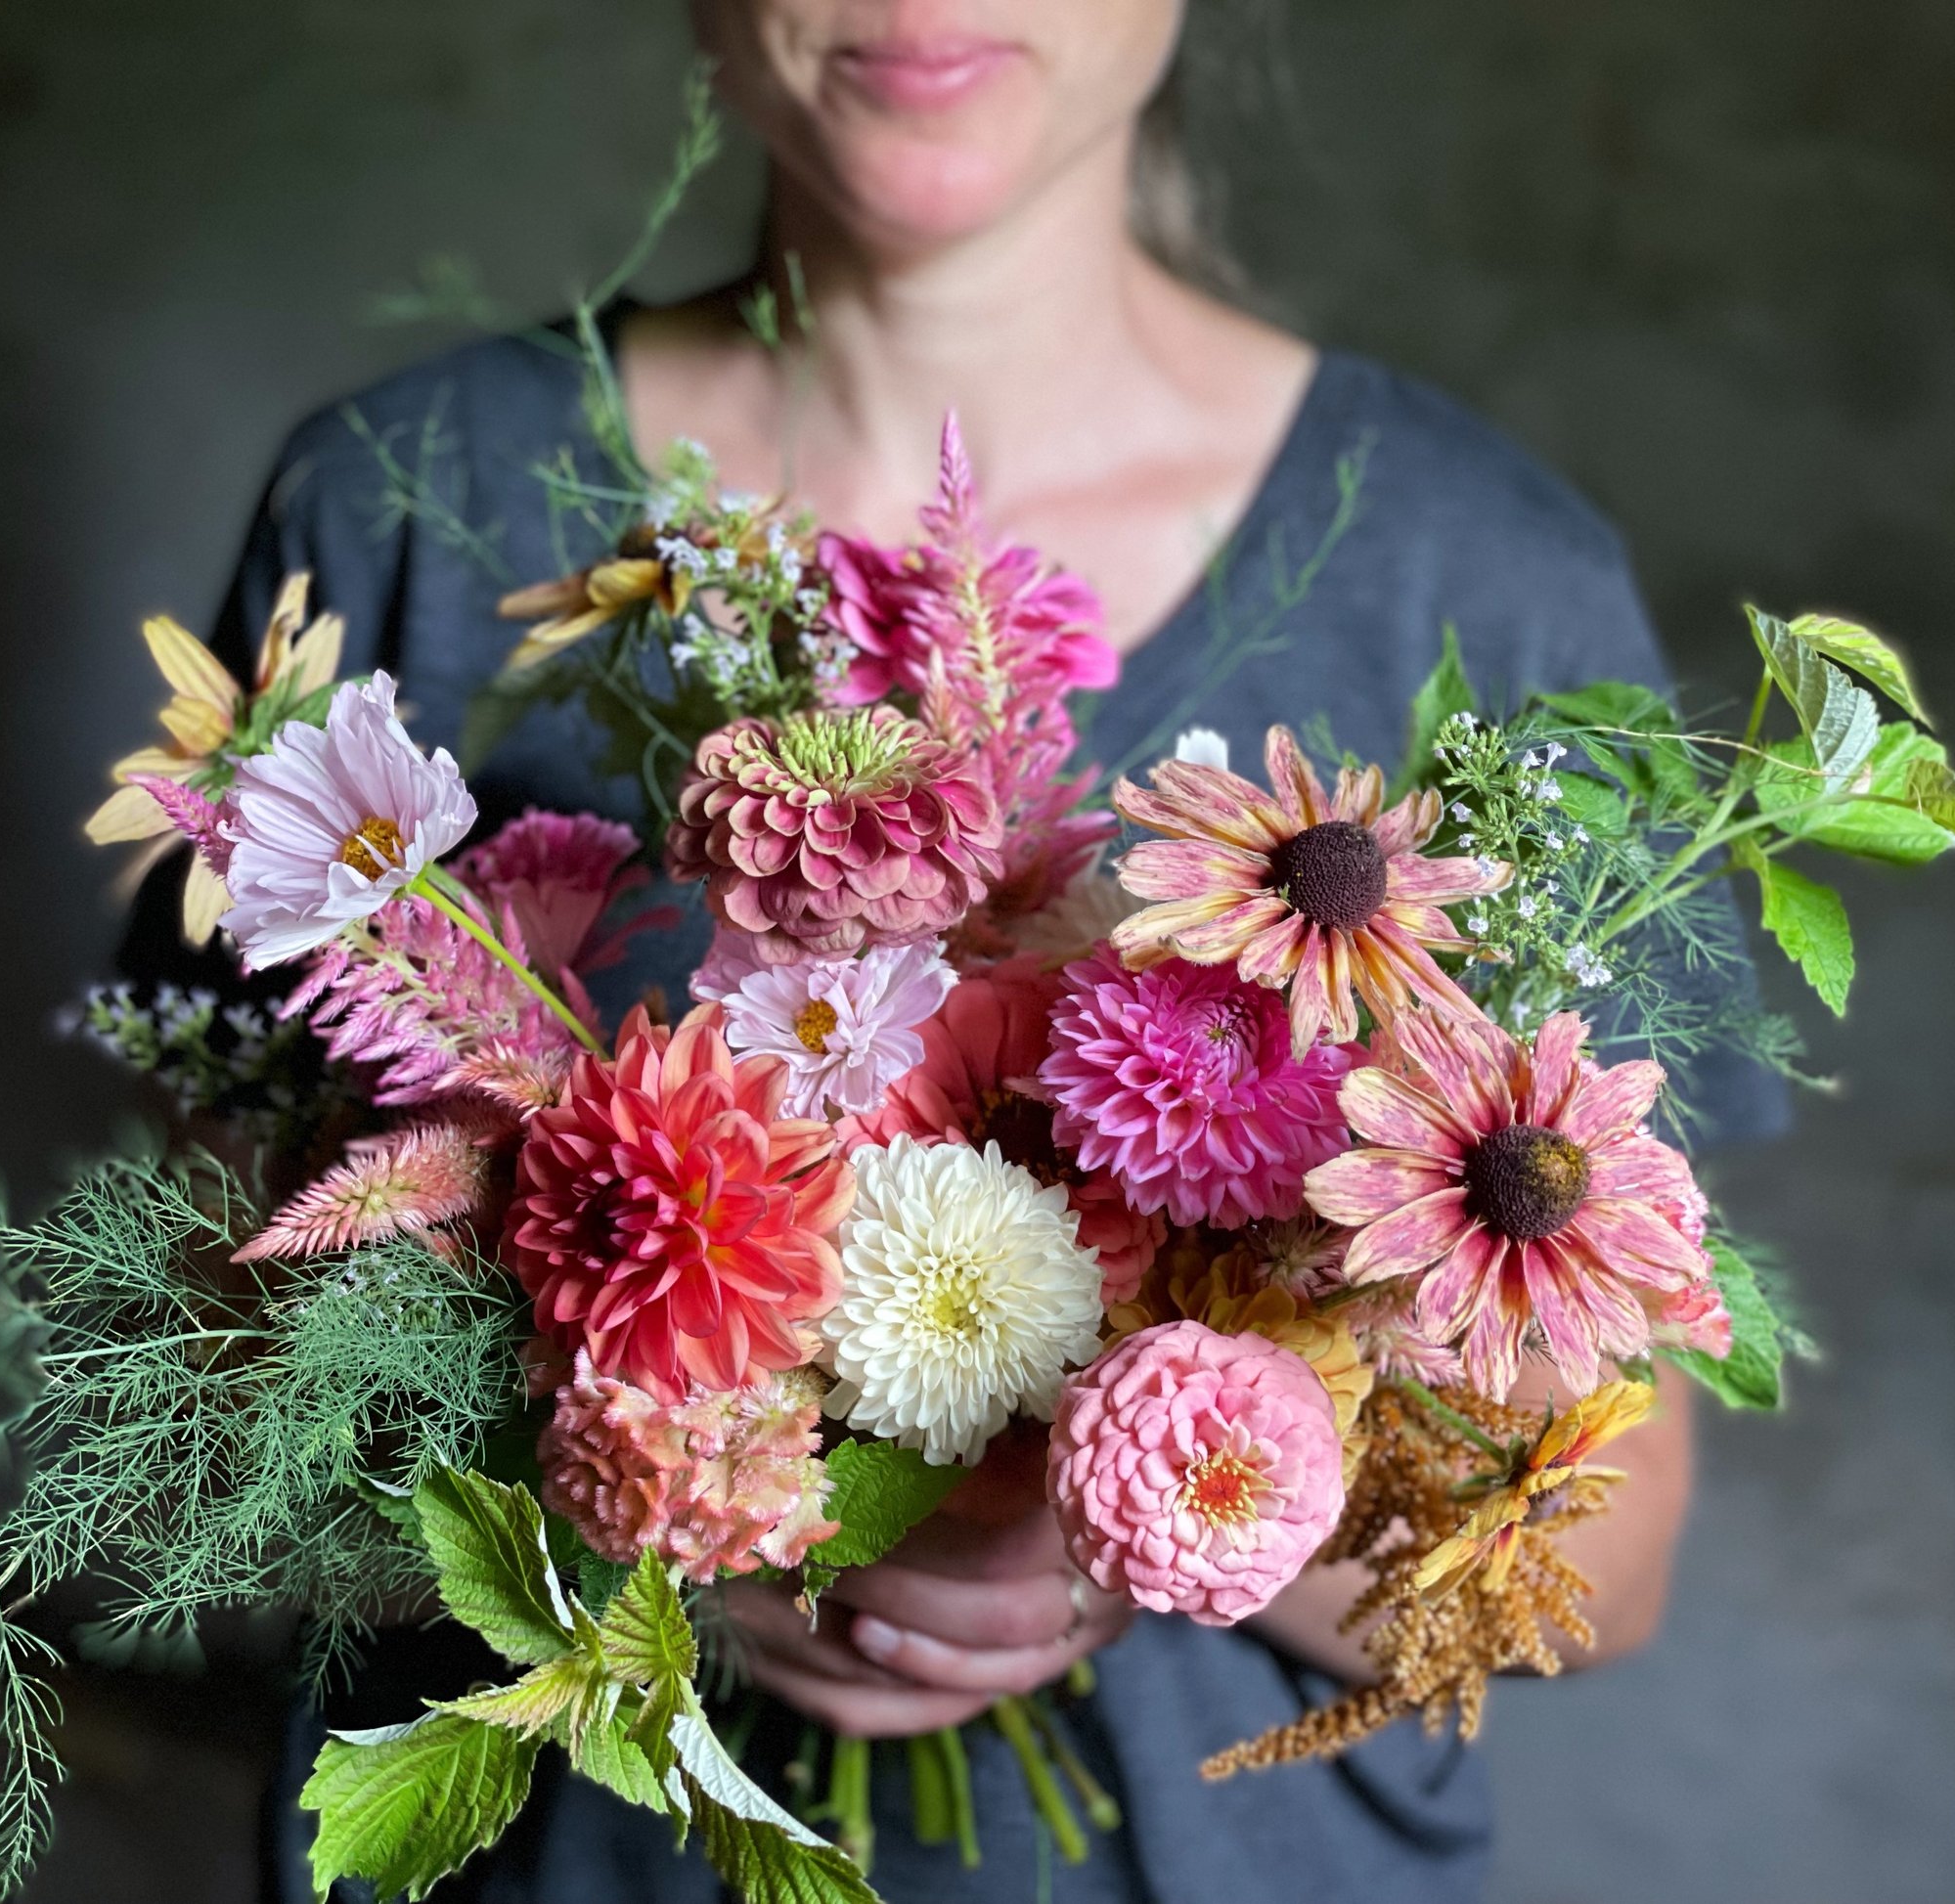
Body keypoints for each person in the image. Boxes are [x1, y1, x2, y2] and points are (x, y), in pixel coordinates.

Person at [164, 4, 1787, 1897]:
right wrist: (653, 1488)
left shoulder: (1475, 578)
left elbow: (1615, 1550)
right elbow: (199, 1340)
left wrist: (1139, 1503)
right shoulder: (407, 500)